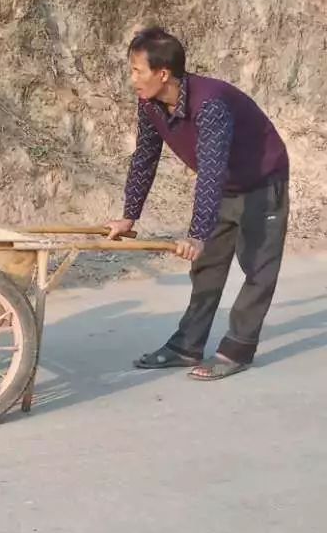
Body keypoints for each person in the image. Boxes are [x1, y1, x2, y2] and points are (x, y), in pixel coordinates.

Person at [108, 26, 289, 379]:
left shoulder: (210, 104)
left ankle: (238, 347)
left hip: (262, 181)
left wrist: (196, 233)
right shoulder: (150, 103)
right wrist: (129, 216)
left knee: (258, 268)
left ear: (163, 73)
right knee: (206, 266)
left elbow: (211, 169)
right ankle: (187, 346)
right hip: (224, 186)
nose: (132, 80)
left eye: (136, 71)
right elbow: (145, 157)